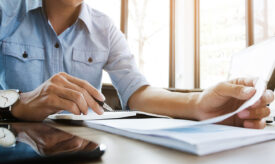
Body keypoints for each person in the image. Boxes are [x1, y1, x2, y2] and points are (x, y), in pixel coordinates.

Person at [0, 0, 273, 129]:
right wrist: (18, 103)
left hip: (82, 151)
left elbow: (136, 91)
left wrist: (198, 104)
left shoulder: (104, 28)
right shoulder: (5, 11)